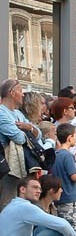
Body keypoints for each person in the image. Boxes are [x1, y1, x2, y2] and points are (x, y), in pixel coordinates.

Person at [0, 79, 42, 210]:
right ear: (12, 93)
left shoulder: (18, 114)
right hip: (8, 165)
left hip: (22, 165)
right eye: (20, 91)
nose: (23, 94)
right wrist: (28, 131)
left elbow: (38, 134)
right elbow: (18, 138)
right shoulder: (1, 112)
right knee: (8, 201)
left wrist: (28, 128)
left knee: (21, 202)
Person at [49, 123, 76, 235]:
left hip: (59, 198)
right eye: (75, 136)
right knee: (72, 228)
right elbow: (73, 176)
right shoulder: (67, 155)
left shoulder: (55, 154)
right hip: (70, 198)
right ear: (69, 138)